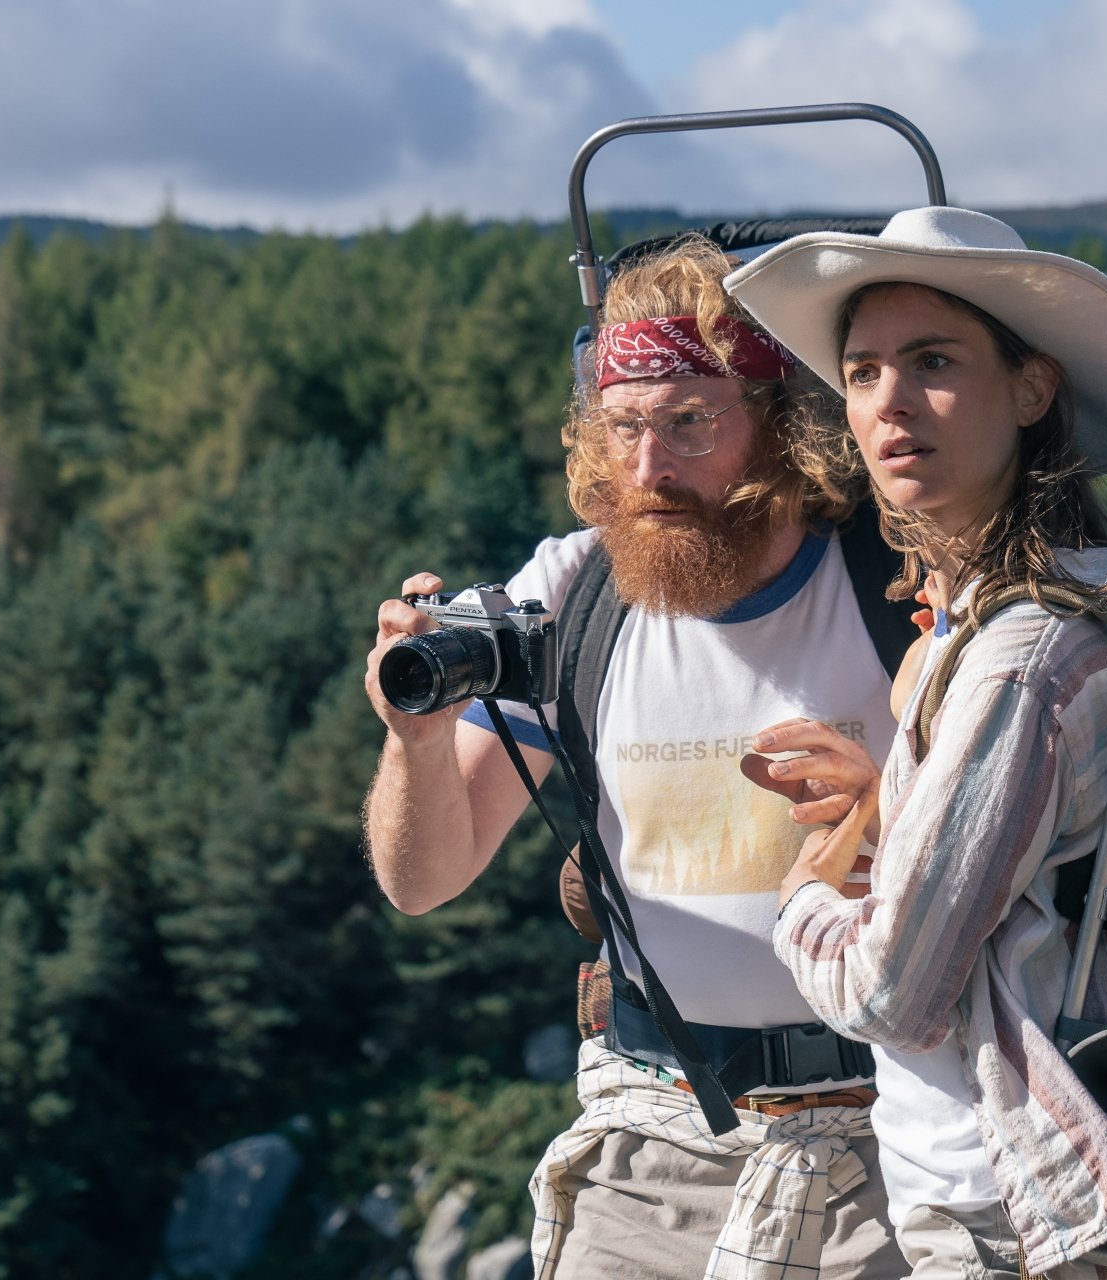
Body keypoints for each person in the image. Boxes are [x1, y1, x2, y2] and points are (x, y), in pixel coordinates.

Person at [361, 237, 910, 1280]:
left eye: (691, 422)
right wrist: (418, 741)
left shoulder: (893, 584)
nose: (650, 468)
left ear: (781, 420)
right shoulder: (576, 594)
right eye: (624, 428)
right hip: (650, 1132)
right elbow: (421, 878)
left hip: (890, 1125)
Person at [724, 207, 1107, 1277]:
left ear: (1031, 389)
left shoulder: (1019, 660)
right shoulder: (1034, 623)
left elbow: (893, 994)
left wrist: (801, 897)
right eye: (865, 371)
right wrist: (892, 804)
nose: (889, 404)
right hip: (1008, 1195)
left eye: (934, 361)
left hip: (1002, 1211)